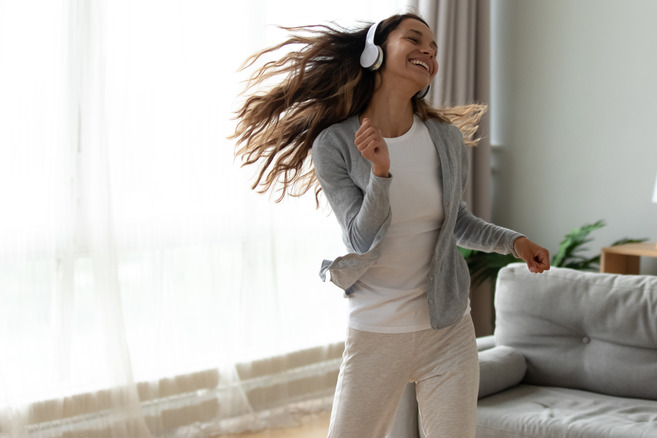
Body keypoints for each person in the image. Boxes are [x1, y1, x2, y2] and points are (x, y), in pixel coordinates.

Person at [232, 12, 550, 438]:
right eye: (415, 39)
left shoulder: (445, 139)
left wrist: (516, 243)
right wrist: (381, 173)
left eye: (435, 49)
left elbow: (457, 221)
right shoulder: (336, 143)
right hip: (377, 332)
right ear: (373, 52)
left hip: (448, 330)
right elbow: (360, 238)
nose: (429, 52)